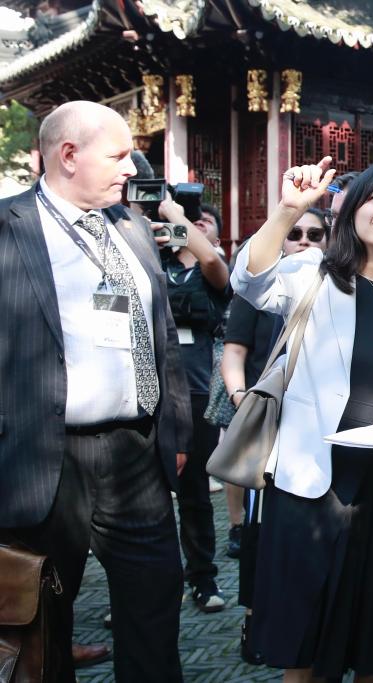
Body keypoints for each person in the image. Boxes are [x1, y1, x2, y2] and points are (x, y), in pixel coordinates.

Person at [232, 157, 373, 682]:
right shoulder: (313, 273)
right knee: (303, 651)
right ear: (353, 210)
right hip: (308, 486)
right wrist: (287, 211)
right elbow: (250, 280)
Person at [0, 100, 191, 681]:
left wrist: (175, 430)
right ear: (68, 155)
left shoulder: (131, 227)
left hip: (137, 454)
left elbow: (163, 334)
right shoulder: (8, 227)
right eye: (118, 156)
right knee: (43, 625)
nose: (132, 168)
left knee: (156, 601)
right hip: (44, 458)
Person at [220, 207, 328, 664]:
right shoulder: (264, 288)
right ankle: (255, 622)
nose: (304, 240)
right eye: (295, 232)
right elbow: (234, 352)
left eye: (315, 234)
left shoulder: (334, 287)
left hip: (313, 431)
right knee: (258, 528)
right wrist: (241, 398)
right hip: (267, 418)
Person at [159, 192, 231, 613]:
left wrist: (176, 215)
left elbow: (209, 260)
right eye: (189, 220)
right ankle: (151, 583)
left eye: (203, 221)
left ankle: (202, 577)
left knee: (195, 494)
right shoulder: (154, 262)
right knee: (148, 496)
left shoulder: (212, 270)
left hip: (197, 389)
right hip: (153, 390)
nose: (193, 224)